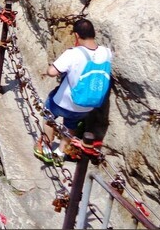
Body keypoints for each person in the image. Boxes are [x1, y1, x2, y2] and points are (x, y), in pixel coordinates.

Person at [34, 19, 112, 164]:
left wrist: (51, 67)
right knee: (71, 125)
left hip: (64, 101)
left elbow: (52, 72)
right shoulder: (106, 53)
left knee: (48, 114)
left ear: (76, 36)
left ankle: (46, 146)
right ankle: (60, 153)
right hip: (88, 105)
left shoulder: (73, 53)